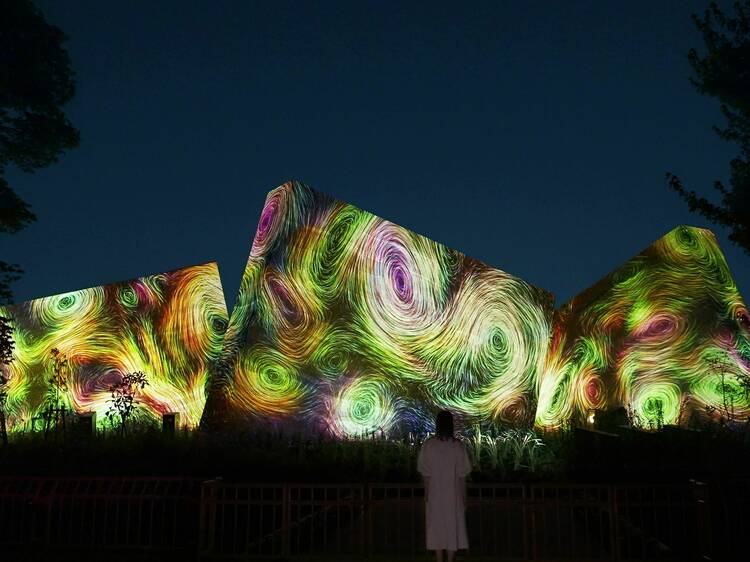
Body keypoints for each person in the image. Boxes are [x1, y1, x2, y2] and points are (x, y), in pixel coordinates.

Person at [417, 410, 472, 562]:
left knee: (436, 527)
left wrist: (427, 495)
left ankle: (439, 558)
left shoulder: (429, 445)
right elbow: (462, 475)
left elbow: (425, 473)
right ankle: (450, 557)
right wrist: (464, 497)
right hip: (453, 495)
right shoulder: (458, 446)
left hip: (435, 494)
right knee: (452, 526)